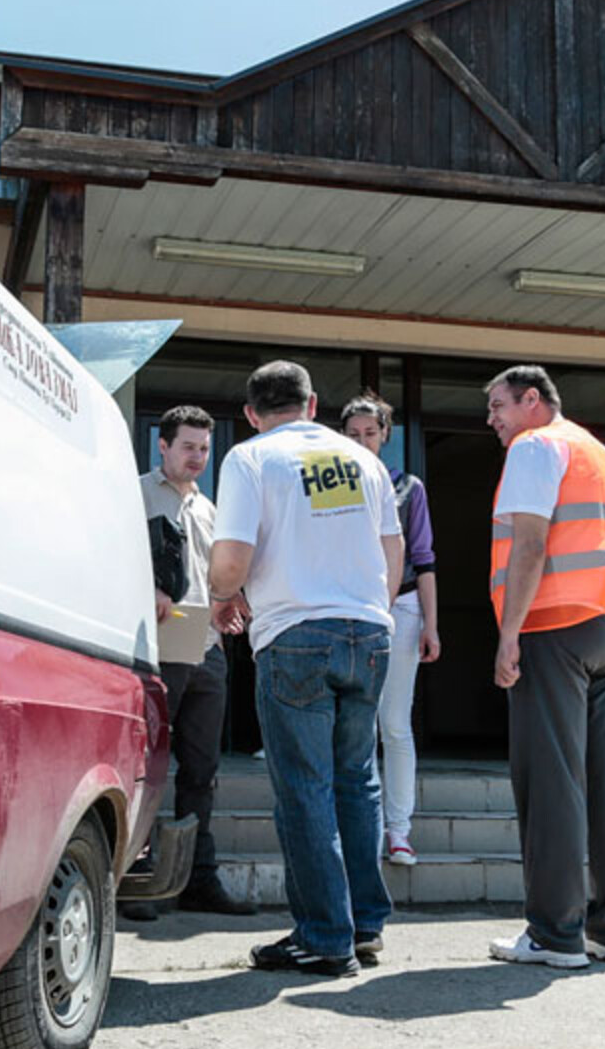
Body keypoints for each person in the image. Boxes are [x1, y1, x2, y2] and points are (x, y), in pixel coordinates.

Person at [209, 361, 402, 977]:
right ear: (313, 403)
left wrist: (221, 595)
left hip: (295, 633)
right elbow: (392, 547)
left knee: (305, 789)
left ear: (250, 412)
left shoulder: (251, 458)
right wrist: (372, 609)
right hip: (369, 633)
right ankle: (363, 923)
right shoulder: (364, 461)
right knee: (357, 780)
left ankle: (323, 937)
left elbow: (233, 554)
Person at [483, 364, 605, 969]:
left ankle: (554, 934)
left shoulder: (536, 445)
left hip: (553, 627)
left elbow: (530, 542)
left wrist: (509, 634)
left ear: (532, 401)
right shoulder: (601, 454)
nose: (493, 420)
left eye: (498, 406)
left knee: (551, 781)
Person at [125, 404, 256, 920]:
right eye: (188, 447)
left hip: (207, 652)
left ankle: (198, 880)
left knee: (202, 772)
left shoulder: (210, 507)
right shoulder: (134, 494)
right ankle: (136, 879)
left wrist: (227, 607)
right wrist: (149, 587)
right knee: (147, 766)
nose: (198, 456)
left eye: (205, 448)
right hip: (156, 651)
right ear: (162, 445)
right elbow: (115, 557)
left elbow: (212, 576)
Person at [341, 391, 440, 865]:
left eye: (370, 433)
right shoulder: (333, 485)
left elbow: (424, 560)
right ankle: (353, 828)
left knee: (394, 725)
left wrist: (431, 625)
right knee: (350, 725)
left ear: (386, 435)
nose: (362, 441)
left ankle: (398, 831)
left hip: (401, 610)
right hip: (346, 608)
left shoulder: (408, 488)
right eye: (353, 434)